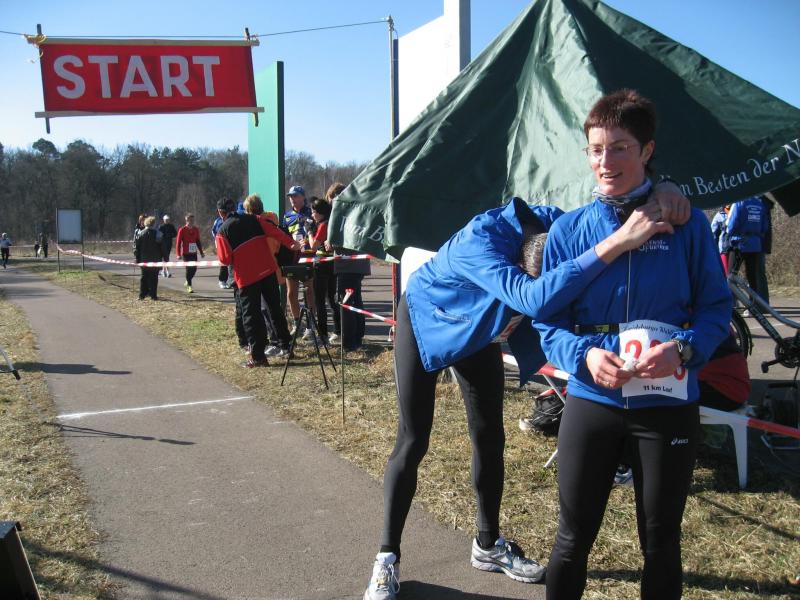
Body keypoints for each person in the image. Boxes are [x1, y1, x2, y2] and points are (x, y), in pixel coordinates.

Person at [363, 190, 692, 596]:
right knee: (413, 439)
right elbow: (534, 299)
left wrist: (665, 191)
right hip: (428, 316)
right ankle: (386, 558)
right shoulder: (479, 242)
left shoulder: (553, 225)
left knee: (490, 436)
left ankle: (487, 545)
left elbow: (605, 216)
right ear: (517, 265)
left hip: (481, 325)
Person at [533, 89, 731, 600]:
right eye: (596, 149)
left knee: (661, 543)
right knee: (571, 539)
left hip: (667, 405)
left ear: (647, 151)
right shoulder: (569, 230)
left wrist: (684, 349)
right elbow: (548, 323)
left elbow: (716, 309)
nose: (606, 161)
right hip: (592, 399)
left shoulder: (687, 224)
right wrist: (583, 356)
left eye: (620, 147)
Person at [216, 197, 301, 367]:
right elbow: (276, 232)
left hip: (246, 276)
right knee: (275, 309)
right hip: (267, 270)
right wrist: (292, 244)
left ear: (220, 213)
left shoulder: (222, 231)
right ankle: (286, 346)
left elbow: (225, 260)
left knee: (251, 316)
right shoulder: (255, 219)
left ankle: (258, 356)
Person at [242, 195, 294, 357]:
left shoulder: (259, 224)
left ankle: (278, 343)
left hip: (264, 270)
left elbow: (267, 248)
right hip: (273, 268)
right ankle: (283, 343)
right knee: (273, 308)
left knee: (268, 310)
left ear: (249, 210)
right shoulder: (272, 221)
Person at [283, 185, 315, 336]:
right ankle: (297, 324)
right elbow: (284, 236)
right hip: (292, 258)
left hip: (307, 257)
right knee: (291, 293)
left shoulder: (311, 213)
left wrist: (307, 242)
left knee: (309, 291)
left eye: (295, 196)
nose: (292, 199)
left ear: (303, 197)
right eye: (290, 196)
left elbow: (317, 234)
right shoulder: (287, 216)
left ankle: (311, 324)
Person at [307, 198, 340, 343]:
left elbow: (314, 246)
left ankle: (323, 334)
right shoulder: (330, 222)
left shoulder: (323, 225)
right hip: (332, 263)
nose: (312, 215)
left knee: (320, 300)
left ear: (320, 213)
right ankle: (338, 331)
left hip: (321, 265)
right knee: (332, 299)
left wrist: (309, 232)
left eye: (313, 212)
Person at [727, 196, 770, 303]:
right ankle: (753, 304)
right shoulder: (760, 204)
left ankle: (731, 303)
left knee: (731, 276)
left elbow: (731, 225)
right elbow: (764, 226)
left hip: (739, 244)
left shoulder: (738, 203)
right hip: (755, 244)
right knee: (752, 277)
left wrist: (730, 235)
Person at [134, 216, 163, 300]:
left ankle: (142, 295)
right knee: (154, 278)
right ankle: (153, 296)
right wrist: (165, 257)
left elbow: (137, 247)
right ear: (154, 224)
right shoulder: (158, 234)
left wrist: (137, 258)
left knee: (144, 277)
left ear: (146, 223)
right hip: (155, 259)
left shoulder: (140, 233)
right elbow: (162, 247)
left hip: (144, 260)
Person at [176, 213, 204, 294]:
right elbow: (178, 243)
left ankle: (188, 280)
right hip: (186, 253)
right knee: (188, 269)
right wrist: (178, 254)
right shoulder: (182, 230)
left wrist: (201, 252)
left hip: (193, 252)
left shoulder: (196, 229)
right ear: (186, 220)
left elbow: (198, 241)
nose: (191, 221)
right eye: (190, 220)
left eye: (192, 220)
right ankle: (189, 286)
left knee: (194, 269)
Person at [710, 205, 731, 274]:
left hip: (735, 247)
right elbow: (713, 233)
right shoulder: (719, 215)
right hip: (724, 247)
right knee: (726, 272)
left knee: (731, 272)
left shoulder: (736, 210)